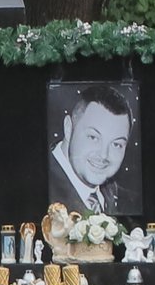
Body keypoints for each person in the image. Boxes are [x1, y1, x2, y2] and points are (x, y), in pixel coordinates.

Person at [48, 85, 138, 215]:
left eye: (116, 144)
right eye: (93, 137)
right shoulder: (39, 188)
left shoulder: (126, 200)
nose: (103, 155)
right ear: (68, 128)